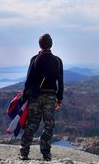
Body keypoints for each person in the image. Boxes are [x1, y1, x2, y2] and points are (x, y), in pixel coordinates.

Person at [19, 33, 64, 161]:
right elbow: (60, 82)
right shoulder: (57, 61)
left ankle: (24, 152)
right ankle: (46, 153)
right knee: (48, 125)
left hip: (35, 97)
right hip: (50, 97)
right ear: (51, 44)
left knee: (31, 124)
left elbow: (28, 81)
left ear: (40, 45)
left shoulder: (35, 59)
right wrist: (59, 98)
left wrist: (24, 97)